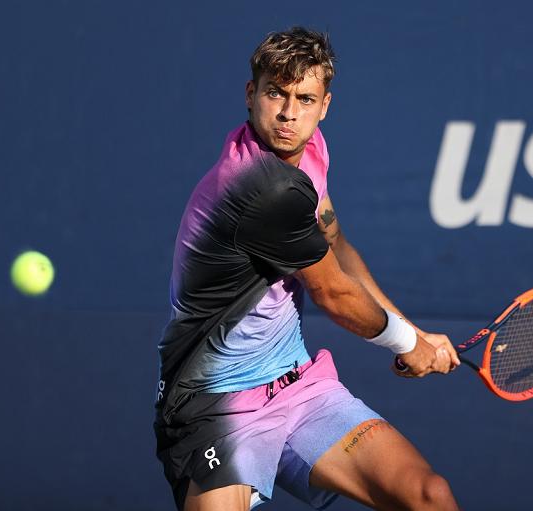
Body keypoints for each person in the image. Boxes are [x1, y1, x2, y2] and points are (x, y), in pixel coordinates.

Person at [154, 26, 461, 511]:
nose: (288, 113)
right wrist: (410, 344)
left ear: (325, 105)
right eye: (275, 93)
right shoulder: (260, 186)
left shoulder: (311, 151)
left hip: (298, 387)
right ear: (251, 93)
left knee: (428, 496)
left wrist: (415, 332)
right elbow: (333, 294)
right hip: (216, 404)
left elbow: (335, 247)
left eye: (305, 98)